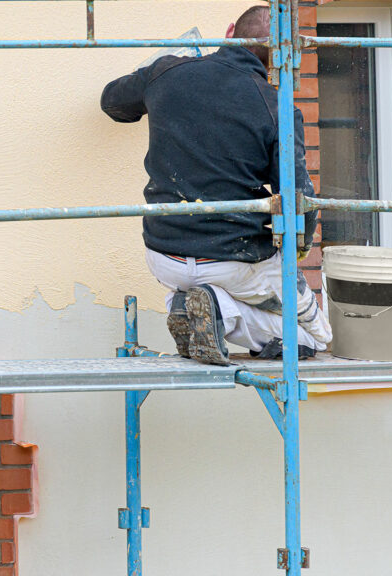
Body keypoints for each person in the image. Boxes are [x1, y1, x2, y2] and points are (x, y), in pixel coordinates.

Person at [99, 5, 332, 365]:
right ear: (280, 60)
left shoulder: (167, 72)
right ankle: (221, 309)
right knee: (315, 338)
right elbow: (300, 200)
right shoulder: (278, 108)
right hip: (234, 261)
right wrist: (297, 251)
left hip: (164, 254)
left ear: (227, 32)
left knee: (220, 295)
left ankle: (198, 304)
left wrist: (159, 72)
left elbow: (112, 103)